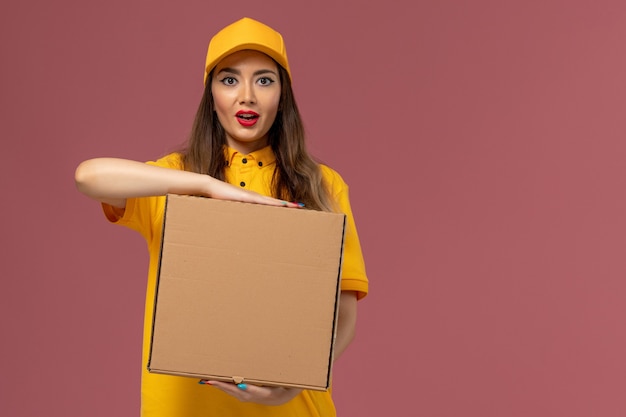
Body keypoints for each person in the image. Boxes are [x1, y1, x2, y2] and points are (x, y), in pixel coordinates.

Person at [75, 17, 368, 417]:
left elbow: (345, 314)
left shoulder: (323, 184)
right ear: (210, 94)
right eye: (229, 80)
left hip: (290, 409)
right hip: (182, 407)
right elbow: (89, 176)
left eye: (264, 80)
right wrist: (205, 186)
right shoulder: (174, 179)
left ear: (283, 95)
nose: (246, 96)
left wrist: (292, 386)